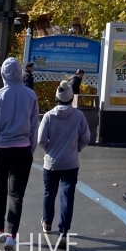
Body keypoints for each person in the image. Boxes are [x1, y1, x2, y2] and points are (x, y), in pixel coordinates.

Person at [0, 58, 40, 251]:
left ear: (4, 74)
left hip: (1, 147)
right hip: (23, 148)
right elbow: (35, 127)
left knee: (0, 189)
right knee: (17, 194)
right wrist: (30, 150)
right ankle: (11, 235)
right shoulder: (30, 95)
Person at [37, 80, 90, 242]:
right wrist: (77, 148)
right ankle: (64, 230)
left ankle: (47, 222)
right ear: (71, 98)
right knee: (67, 195)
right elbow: (86, 137)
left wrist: (49, 150)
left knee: (49, 193)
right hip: (71, 162)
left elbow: (40, 139)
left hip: (51, 162)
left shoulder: (48, 116)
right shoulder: (78, 115)